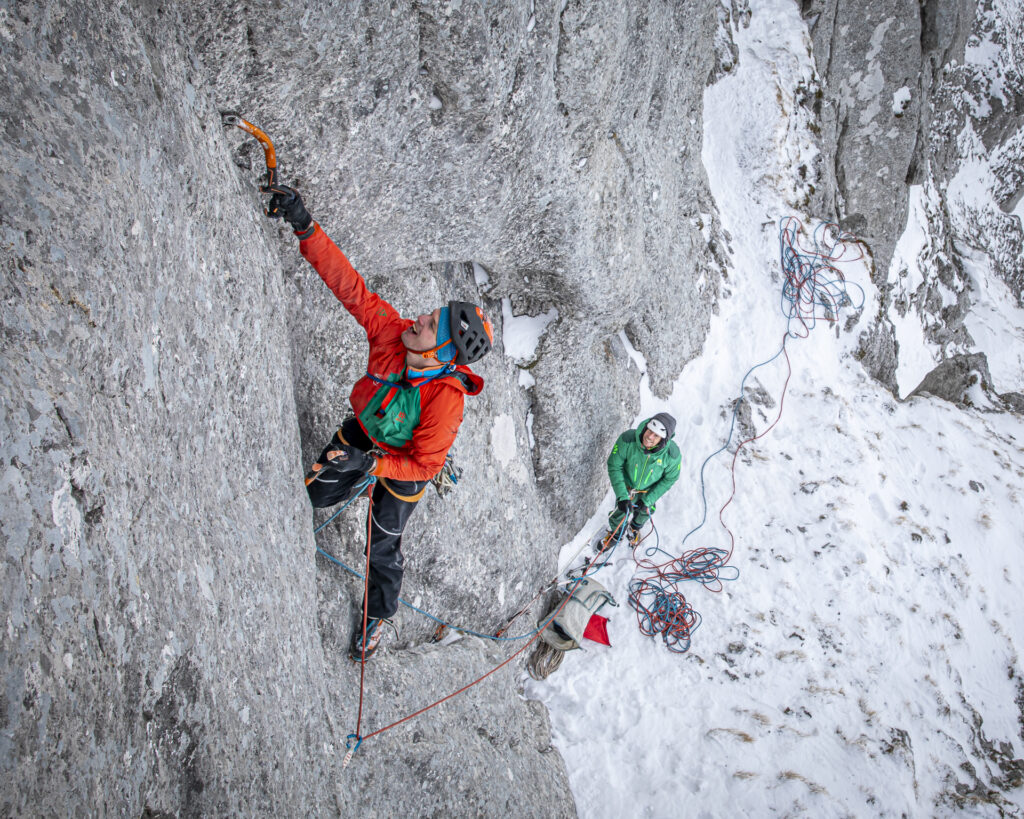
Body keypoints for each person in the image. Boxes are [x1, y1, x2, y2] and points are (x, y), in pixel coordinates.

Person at [264, 184, 494, 662]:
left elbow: (425, 465)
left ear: (440, 353)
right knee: (314, 496)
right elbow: (351, 288)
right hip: (367, 433)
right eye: (430, 315)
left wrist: (373, 468)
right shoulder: (393, 333)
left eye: (429, 324)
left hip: (404, 468)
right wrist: (305, 226)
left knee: (383, 544)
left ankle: (379, 614)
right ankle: (346, 481)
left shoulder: (445, 403)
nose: (418, 319)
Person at [605, 413, 681, 542]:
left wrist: (648, 500)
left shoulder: (671, 455)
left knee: (645, 511)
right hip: (627, 488)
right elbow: (614, 465)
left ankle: (635, 528)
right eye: (650, 430)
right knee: (621, 512)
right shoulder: (628, 440)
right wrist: (622, 496)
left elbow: (670, 478)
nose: (649, 436)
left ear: (663, 439)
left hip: (648, 491)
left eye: (656, 435)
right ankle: (616, 535)